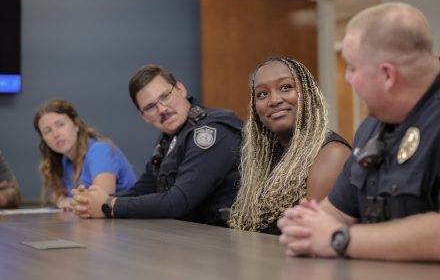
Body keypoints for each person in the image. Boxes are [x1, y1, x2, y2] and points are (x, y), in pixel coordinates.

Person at [278, 2, 440, 261]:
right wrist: (307, 224)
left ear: (388, 75)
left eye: (352, 68)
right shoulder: (372, 128)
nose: (347, 79)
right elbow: (339, 210)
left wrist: (339, 239)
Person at [71, 64, 243, 226]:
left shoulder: (210, 130)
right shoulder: (167, 141)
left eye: (165, 96)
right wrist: (92, 202)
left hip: (231, 239)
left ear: (181, 89)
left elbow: (179, 201)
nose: (162, 109)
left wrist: (109, 205)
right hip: (197, 239)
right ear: (144, 116)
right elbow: (143, 190)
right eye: (151, 106)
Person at [228, 57, 351, 234]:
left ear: (308, 93)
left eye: (285, 87)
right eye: (262, 94)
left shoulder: (331, 154)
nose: (274, 100)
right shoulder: (266, 157)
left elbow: (312, 236)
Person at [34, 99, 137, 211]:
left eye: (60, 125)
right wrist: (61, 200)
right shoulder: (65, 161)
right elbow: (57, 195)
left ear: (76, 125)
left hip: (127, 225)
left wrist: (70, 202)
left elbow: (100, 204)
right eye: (47, 131)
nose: (55, 134)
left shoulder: (100, 151)